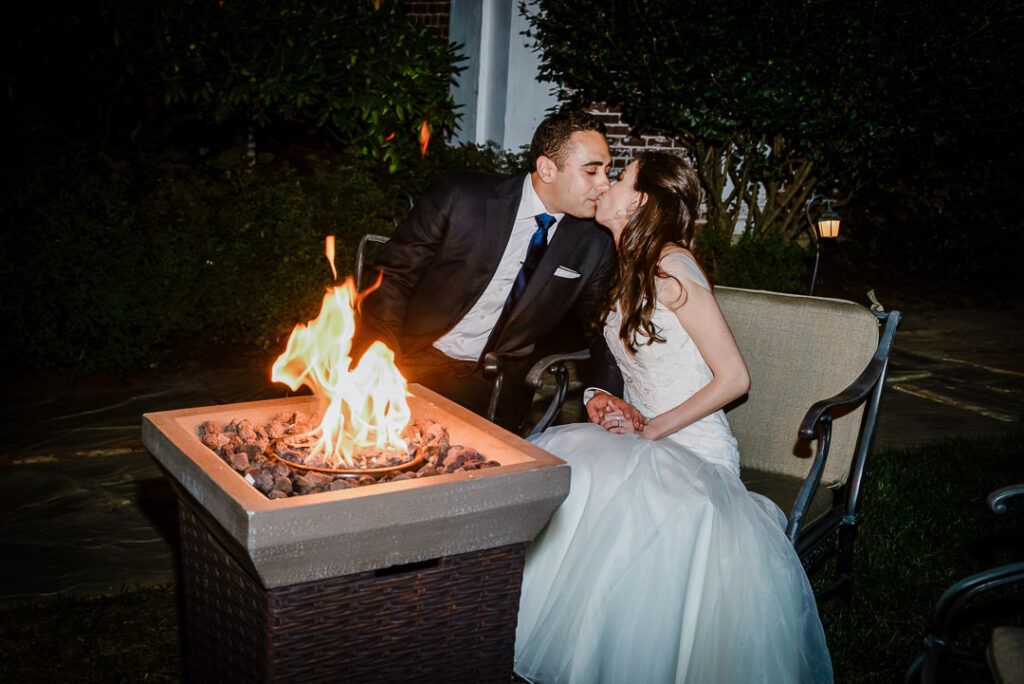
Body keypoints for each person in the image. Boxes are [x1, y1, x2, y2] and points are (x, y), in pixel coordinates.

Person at [514, 152, 833, 683]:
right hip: (641, 437)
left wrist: (654, 429)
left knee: (627, 509)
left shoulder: (672, 268)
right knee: (572, 474)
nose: (606, 184)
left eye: (618, 177)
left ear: (639, 201)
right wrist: (603, 395)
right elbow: (622, 363)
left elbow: (734, 378)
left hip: (691, 448)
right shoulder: (628, 263)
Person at [355, 110, 642, 432]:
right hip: (411, 358)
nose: (604, 184)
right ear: (547, 169)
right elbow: (392, 277)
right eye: (591, 171)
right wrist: (381, 356)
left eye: (607, 171)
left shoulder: (593, 242)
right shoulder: (462, 197)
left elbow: (601, 326)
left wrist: (602, 389)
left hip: (496, 384)